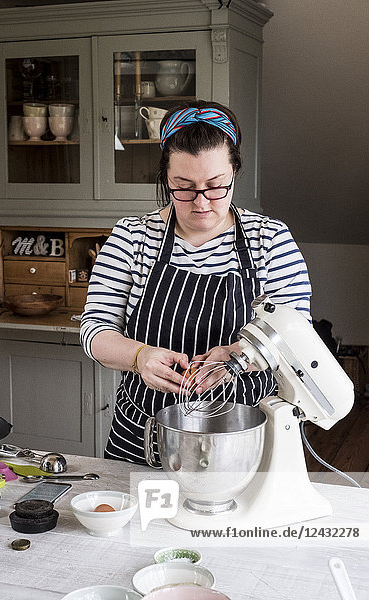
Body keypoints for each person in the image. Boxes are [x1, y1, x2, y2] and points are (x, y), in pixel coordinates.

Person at [80, 100, 311, 464]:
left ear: (235, 172)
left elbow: (297, 338)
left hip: (244, 437)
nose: (201, 202)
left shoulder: (271, 240)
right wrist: (139, 356)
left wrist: (238, 356)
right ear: (165, 178)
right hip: (144, 437)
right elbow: (94, 332)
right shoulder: (132, 237)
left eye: (216, 186)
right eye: (183, 187)